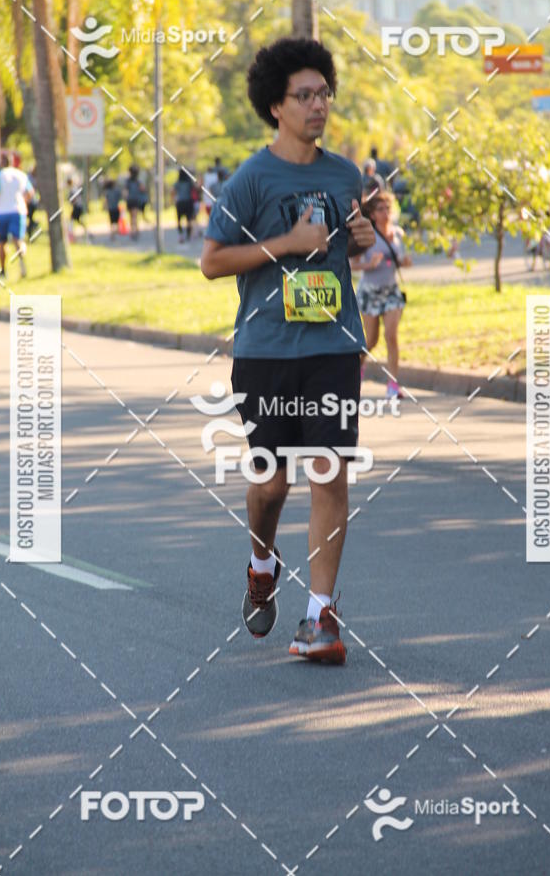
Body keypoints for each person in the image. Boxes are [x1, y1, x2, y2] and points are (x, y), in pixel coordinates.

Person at [200, 37, 375, 664]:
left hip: (332, 343)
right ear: (276, 106)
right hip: (266, 350)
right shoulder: (251, 179)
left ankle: (319, 618)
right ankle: (260, 560)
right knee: (270, 483)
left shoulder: (345, 173)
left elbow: (342, 252)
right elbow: (213, 262)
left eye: (324, 93)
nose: (318, 105)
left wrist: (359, 239)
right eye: (305, 95)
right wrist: (285, 243)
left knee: (329, 470)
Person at [351, 191, 411, 399]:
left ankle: (392, 384)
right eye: (380, 209)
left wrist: (405, 261)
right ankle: (355, 372)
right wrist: (370, 264)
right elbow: (353, 263)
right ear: (373, 214)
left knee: (391, 336)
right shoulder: (368, 236)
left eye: (388, 208)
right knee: (370, 341)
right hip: (370, 292)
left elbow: (401, 258)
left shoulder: (397, 234)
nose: (386, 213)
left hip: (391, 291)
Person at [0, 151, 34, 284]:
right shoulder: (21, 175)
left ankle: (3, 270)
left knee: (1, 243)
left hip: (0, 211)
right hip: (18, 210)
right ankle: (22, 264)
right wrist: (23, 202)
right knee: (18, 240)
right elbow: (30, 192)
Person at [172, 168, 195, 243]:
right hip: (188, 202)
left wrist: (174, 199)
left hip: (180, 202)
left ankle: (181, 234)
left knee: (179, 220)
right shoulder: (189, 183)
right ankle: (188, 234)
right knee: (189, 219)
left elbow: (173, 192)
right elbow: (195, 189)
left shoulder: (177, 183)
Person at [125, 164, 145, 239]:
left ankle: (133, 230)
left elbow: (125, 192)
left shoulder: (128, 181)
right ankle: (135, 230)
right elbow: (142, 189)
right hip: (136, 200)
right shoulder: (138, 181)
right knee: (135, 216)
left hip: (130, 200)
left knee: (132, 217)